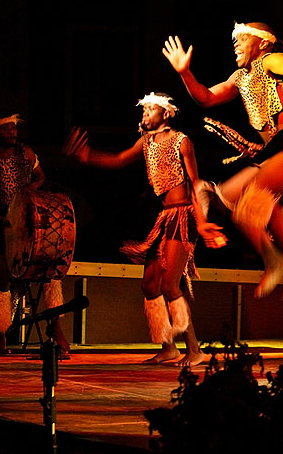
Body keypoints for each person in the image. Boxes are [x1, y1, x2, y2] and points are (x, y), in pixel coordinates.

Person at [162, 23, 283, 299]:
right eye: (234, 40)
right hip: (277, 157)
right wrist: (184, 72)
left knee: (253, 199)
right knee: (234, 206)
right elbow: (206, 98)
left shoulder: (271, 60)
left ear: (263, 43)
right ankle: (274, 258)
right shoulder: (240, 77)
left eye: (242, 38)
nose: (235, 44)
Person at [64, 92, 223, 366]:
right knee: (150, 284)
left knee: (171, 284)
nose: (145, 114)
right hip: (164, 218)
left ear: (166, 113)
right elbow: (118, 160)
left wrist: (201, 221)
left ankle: (194, 349)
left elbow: (196, 184)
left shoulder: (182, 141)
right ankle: (168, 347)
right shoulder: (146, 143)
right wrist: (88, 156)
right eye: (144, 110)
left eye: (150, 109)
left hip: (183, 215)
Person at [0, 114, 70, 354]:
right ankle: (0, 334)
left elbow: (41, 176)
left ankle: (55, 330)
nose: (12, 132)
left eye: (14, 128)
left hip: (26, 220)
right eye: (7, 128)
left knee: (50, 270)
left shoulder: (26, 153)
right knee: (2, 274)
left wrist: (28, 192)